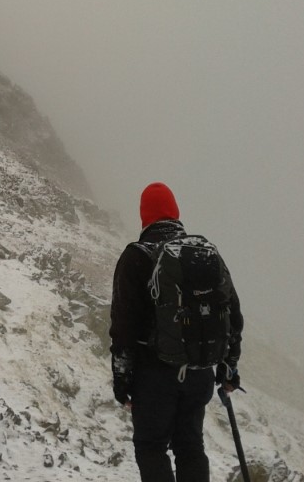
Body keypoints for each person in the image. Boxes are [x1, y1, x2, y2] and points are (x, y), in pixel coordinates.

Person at [109, 182, 243, 482]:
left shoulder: (136, 256)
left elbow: (123, 327)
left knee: (151, 446)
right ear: (175, 213)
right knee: (190, 445)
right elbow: (232, 313)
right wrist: (229, 366)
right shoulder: (203, 254)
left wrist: (122, 380)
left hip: (153, 375)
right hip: (198, 372)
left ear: (145, 216)